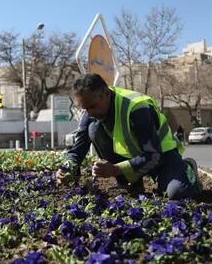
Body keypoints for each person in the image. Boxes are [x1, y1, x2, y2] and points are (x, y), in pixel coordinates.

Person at [56, 73, 202, 200]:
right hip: (136, 158)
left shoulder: (137, 108)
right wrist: (67, 168)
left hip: (161, 156)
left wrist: (115, 169)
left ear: (106, 93)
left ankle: (187, 167)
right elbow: (79, 147)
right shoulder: (90, 110)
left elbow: (153, 155)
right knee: (93, 129)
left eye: (92, 107)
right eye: (85, 108)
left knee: (177, 192)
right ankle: (130, 183)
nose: (89, 113)